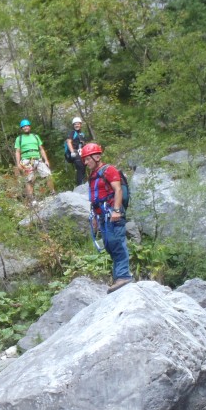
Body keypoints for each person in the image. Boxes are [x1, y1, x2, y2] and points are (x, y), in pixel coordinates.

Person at [81, 142, 133, 293]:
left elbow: (118, 190)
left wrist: (116, 210)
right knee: (110, 246)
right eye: (84, 160)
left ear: (96, 156)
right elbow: (95, 198)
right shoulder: (93, 175)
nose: (86, 162)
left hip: (112, 212)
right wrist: (96, 218)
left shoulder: (109, 170)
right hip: (102, 215)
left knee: (116, 242)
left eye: (87, 159)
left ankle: (124, 276)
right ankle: (119, 277)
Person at [14, 119, 56, 202]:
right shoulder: (19, 138)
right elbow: (17, 151)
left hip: (38, 158)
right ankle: (32, 199)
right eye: (24, 126)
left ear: (29, 127)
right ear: (22, 128)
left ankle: (53, 193)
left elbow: (41, 149)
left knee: (48, 175)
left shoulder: (35, 136)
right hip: (26, 160)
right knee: (29, 180)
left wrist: (46, 160)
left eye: (27, 126)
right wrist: (18, 163)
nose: (26, 127)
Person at [66, 116, 87, 187]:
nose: (76, 125)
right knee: (80, 167)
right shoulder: (72, 132)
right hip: (73, 152)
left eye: (78, 124)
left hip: (80, 152)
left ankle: (82, 182)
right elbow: (68, 142)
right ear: (73, 125)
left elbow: (83, 145)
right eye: (75, 124)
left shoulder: (82, 134)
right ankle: (80, 185)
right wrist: (72, 152)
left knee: (84, 166)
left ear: (80, 125)